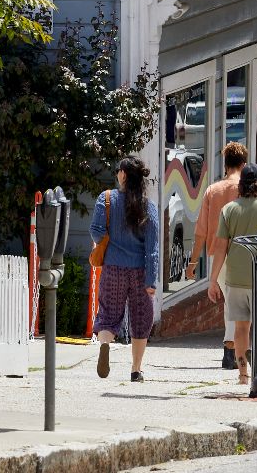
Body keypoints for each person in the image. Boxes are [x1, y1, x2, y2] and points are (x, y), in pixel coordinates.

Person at [90, 156, 159, 383]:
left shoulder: (106, 199)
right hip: (139, 271)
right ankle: (136, 370)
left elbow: (96, 231)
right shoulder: (149, 207)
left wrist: (111, 242)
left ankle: (105, 344)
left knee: (108, 313)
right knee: (141, 320)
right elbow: (152, 248)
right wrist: (151, 281)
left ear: (123, 175)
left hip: (113, 268)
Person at [188, 140, 248, 369]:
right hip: (244, 251)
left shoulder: (213, 190)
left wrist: (193, 262)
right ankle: (233, 348)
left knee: (230, 301)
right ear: (243, 164)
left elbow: (201, 231)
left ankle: (230, 348)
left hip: (217, 254)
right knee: (239, 301)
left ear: (226, 164)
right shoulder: (248, 189)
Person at [207, 163, 257, 386]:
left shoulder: (229, 209)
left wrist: (213, 280)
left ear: (241, 185)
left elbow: (221, 247)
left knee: (241, 328)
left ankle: (243, 374)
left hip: (235, 278)